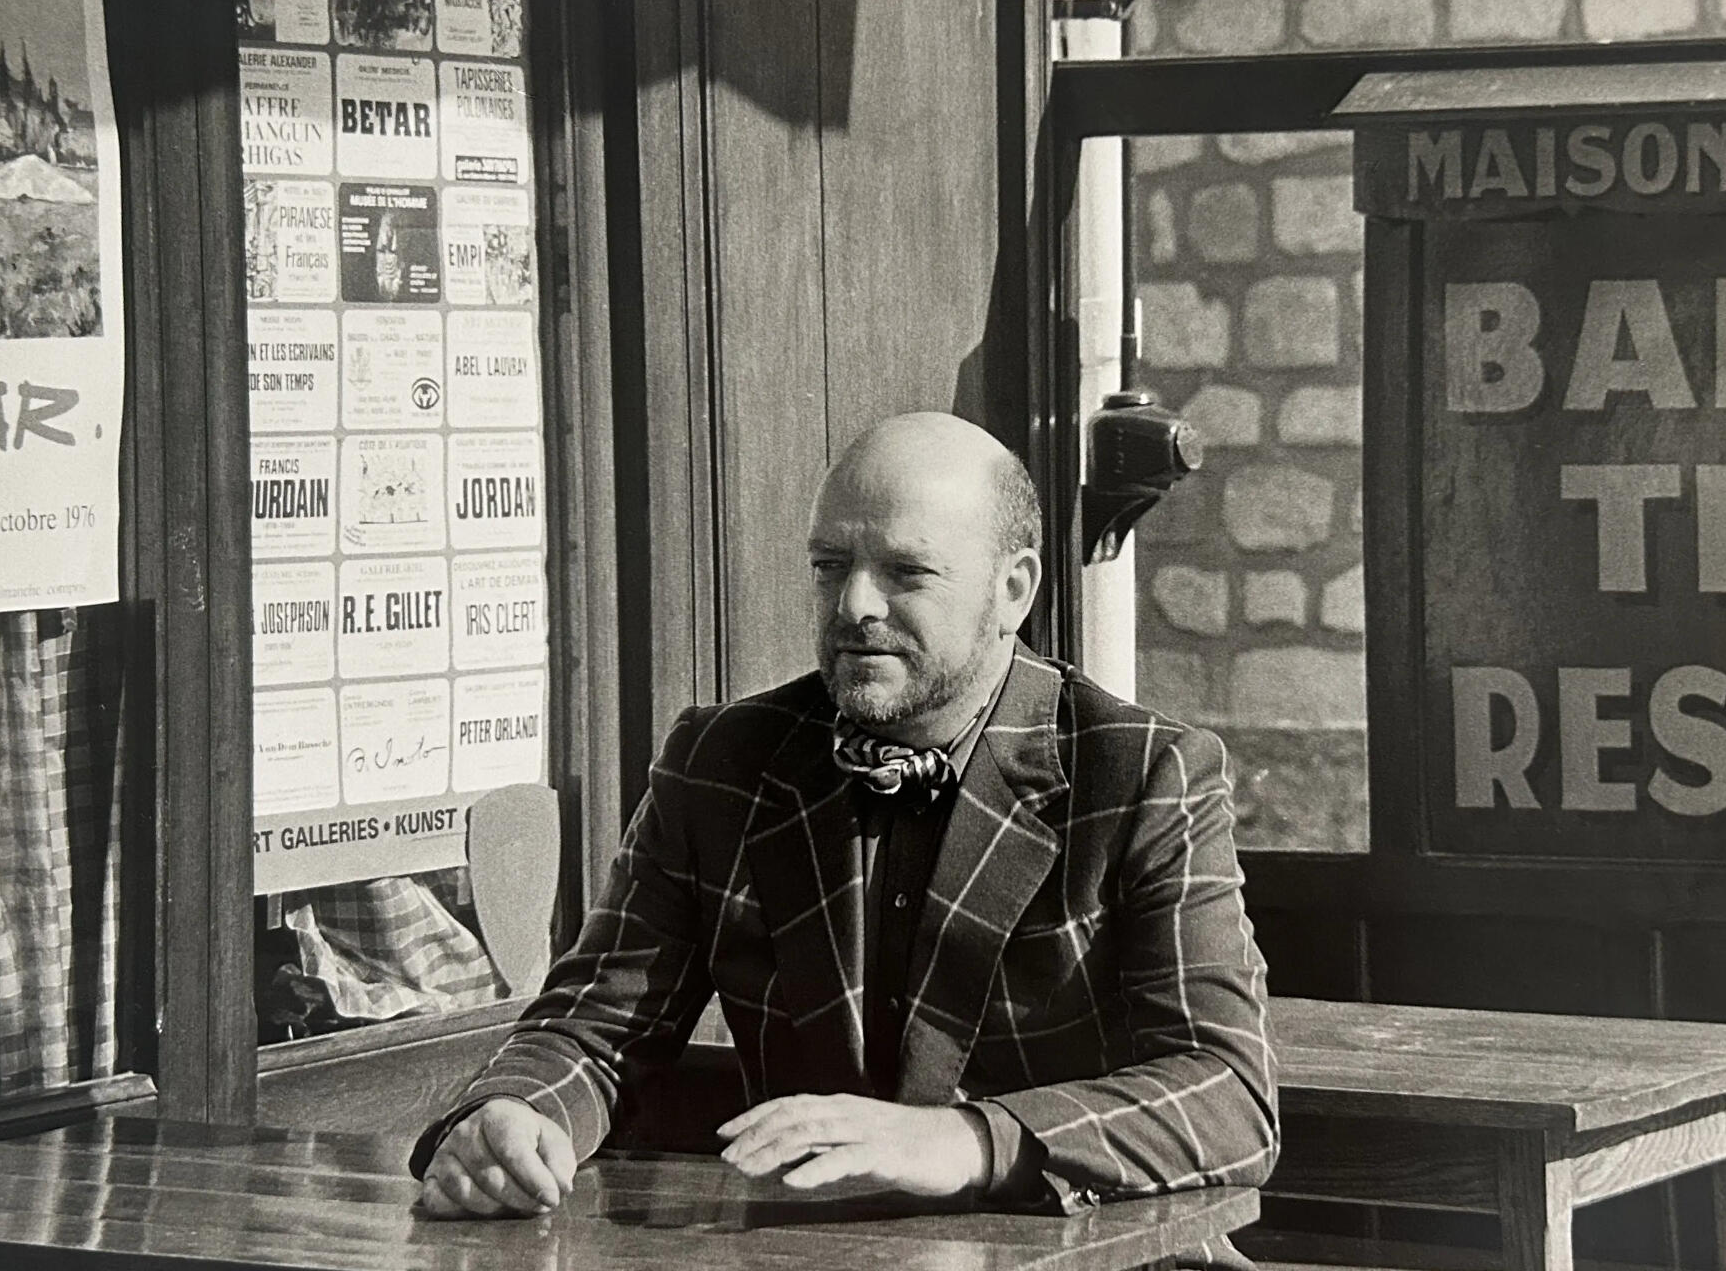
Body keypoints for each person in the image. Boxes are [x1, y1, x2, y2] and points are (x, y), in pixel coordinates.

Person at [412, 412, 1277, 1266]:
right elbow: (595, 1029)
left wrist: (968, 1141)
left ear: (1013, 591)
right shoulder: (721, 762)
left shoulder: (1145, 773)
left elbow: (1229, 1095)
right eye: (831, 566)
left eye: (906, 572)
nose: (855, 604)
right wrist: (517, 1116)